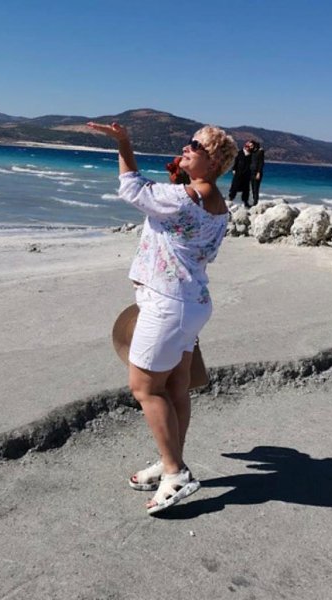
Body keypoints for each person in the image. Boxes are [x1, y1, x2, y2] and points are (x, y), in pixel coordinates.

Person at [86, 120, 237, 515]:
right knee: (175, 388)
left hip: (168, 304)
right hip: (192, 303)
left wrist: (124, 143)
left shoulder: (184, 198)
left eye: (195, 146)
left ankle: (176, 473)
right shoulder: (219, 206)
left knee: (145, 388)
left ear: (213, 162)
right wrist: (181, 180)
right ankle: (171, 459)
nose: (185, 147)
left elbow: (132, 188)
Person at [228, 140, 254, 208]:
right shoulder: (239, 153)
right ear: (245, 146)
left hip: (247, 174)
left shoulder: (251, 154)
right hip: (238, 172)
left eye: (250, 147)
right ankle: (230, 199)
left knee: (246, 189)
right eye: (248, 146)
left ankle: (245, 202)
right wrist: (234, 169)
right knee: (235, 186)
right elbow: (235, 161)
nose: (249, 148)